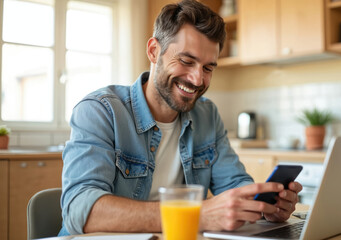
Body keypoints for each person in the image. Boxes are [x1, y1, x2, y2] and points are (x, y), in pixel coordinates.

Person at [59, 0, 302, 236]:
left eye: (208, 68)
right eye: (186, 61)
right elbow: (82, 210)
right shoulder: (100, 111)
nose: (197, 80)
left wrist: (263, 207)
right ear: (154, 51)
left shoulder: (207, 115)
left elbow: (234, 186)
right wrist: (197, 214)